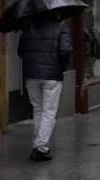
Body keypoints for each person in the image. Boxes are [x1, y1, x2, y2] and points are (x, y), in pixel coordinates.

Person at [19, 11, 72, 162]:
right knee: (49, 111)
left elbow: (20, 51)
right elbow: (65, 50)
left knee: (38, 109)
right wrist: (61, 66)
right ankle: (41, 147)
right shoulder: (61, 28)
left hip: (31, 75)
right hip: (52, 75)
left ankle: (38, 144)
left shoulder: (29, 28)